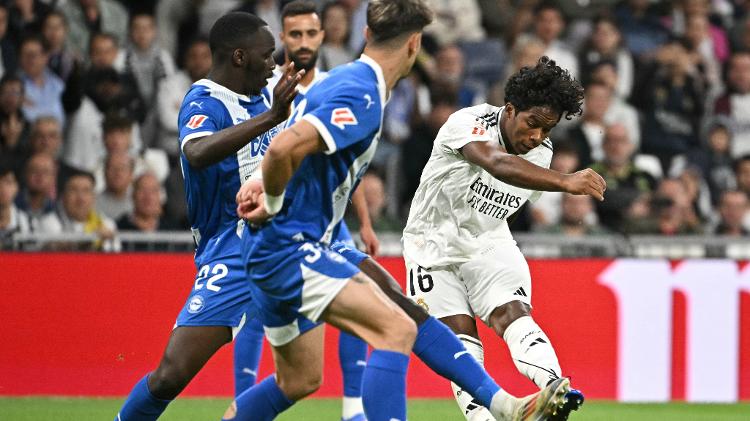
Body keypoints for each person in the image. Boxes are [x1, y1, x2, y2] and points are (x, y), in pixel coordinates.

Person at [234, 2, 571, 421]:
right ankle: (502, 405)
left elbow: (295, 145)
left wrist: (261, 185)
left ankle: (503, 404)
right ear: (415, 45)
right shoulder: (363, 91)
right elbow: (284, 148)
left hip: (300, 241)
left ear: (368, 35)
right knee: (396, 326)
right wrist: (273, 197)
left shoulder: (348, 80)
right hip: (289, 244)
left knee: (300, 379)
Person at [113, 11, 303, 421]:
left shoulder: (270, 90)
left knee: (311, 368)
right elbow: (196, 152)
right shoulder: (204, 101)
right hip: (230, 248)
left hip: (282, 239)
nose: (273, 64)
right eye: (266, 55)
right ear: (238, 57)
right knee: (170, 375)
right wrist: (271, 119)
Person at [402, 56, 604, 421]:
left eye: (547, 130)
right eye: (532, 124)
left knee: (513, 314)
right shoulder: (467, 123)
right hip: (430, 244)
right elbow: (496, 163)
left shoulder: (541, 153)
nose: (536, 138)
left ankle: (553, 391)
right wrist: (565, 181)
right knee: (459, 342)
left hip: (489, 241)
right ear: (509, 109)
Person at [234, 4, 375, 420]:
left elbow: (350, 164)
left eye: (311, 34)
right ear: (282, 37)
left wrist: (363, 222)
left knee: (362, 289)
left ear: (321, 36)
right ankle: (242, 401)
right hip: (272, 214)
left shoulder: (335, 86)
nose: (303, 43)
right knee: (257, 308)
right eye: (294, 35)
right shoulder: (264, 88)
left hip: (326, 218)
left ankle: (353, 409)